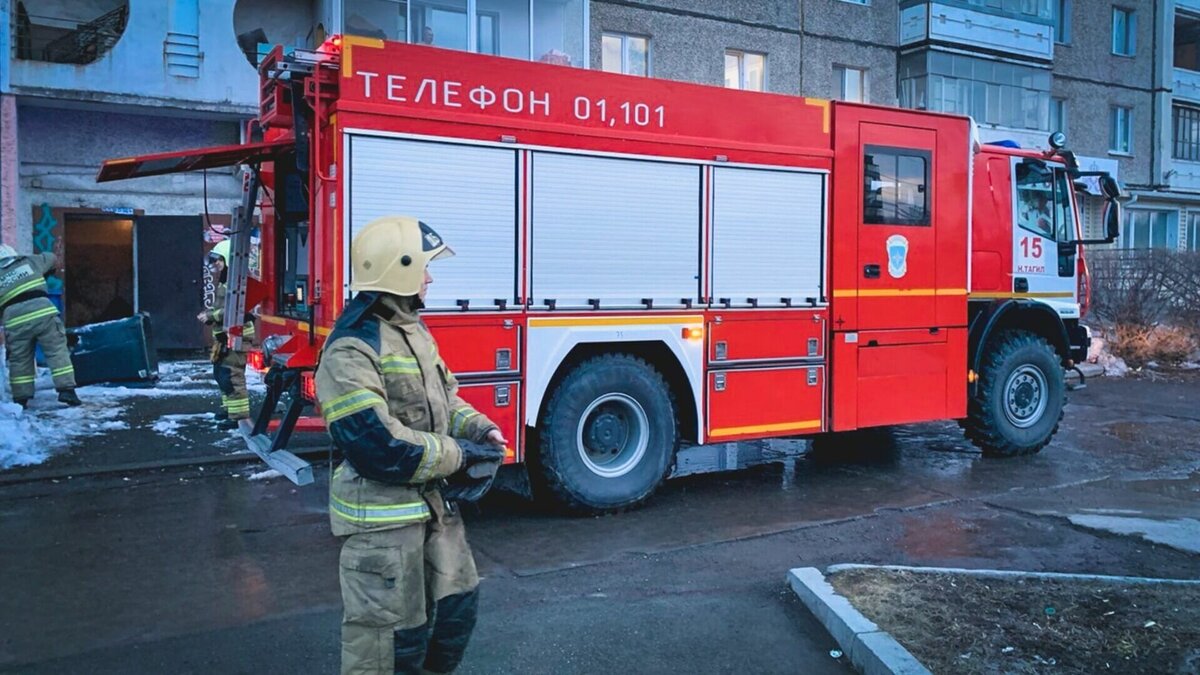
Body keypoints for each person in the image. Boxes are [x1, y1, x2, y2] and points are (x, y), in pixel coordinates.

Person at [316, 215, 508, 675]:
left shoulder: (411, 331)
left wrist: (480, 429)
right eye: (423, 267)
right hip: (383, 527)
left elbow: (444, 400)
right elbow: (377, 444)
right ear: (398, 269)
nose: (430, 277)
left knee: (455, 614)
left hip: (433, 512)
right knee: (388, 646)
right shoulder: (349, 350)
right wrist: (461, 456)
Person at [0, 244, 80, 407]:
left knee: (19, 359)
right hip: (43, 314)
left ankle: (21, 399)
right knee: (56, 350)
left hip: (15, 321)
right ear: (13, 255)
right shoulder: (29, 261)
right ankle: (67, 391)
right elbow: (51, 258)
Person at [197, 240, 255, 429]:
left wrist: (210, 315)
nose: (215, 265)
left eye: (218, 260)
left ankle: (238, 417)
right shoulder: (226, 279)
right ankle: (229, 410)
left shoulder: (238, 281)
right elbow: (223, 307)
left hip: (237, 336)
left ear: (229, 258)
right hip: (225, 335)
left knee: (232, 375)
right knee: (221, 374)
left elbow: (236, 309)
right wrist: (211, 313)